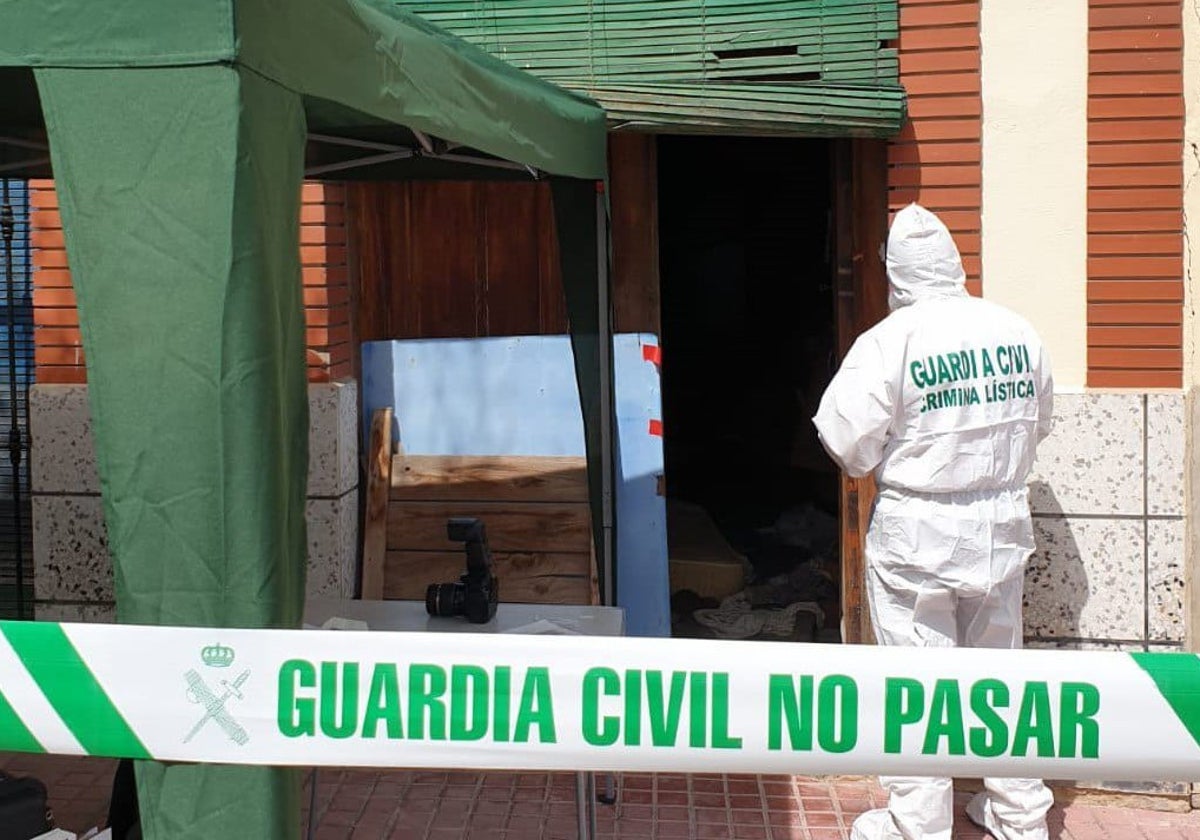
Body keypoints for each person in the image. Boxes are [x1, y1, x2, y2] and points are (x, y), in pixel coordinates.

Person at [813, 203, 1054, 840]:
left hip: (918, 531)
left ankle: (918, 823)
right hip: (1000, 521)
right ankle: (1019, 816)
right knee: (1002, 674)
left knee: (917, 682)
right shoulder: (1016, 330)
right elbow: (1041, 421)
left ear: (897, 277)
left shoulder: (891, 341)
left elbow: (846, 441)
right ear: (954, 264)